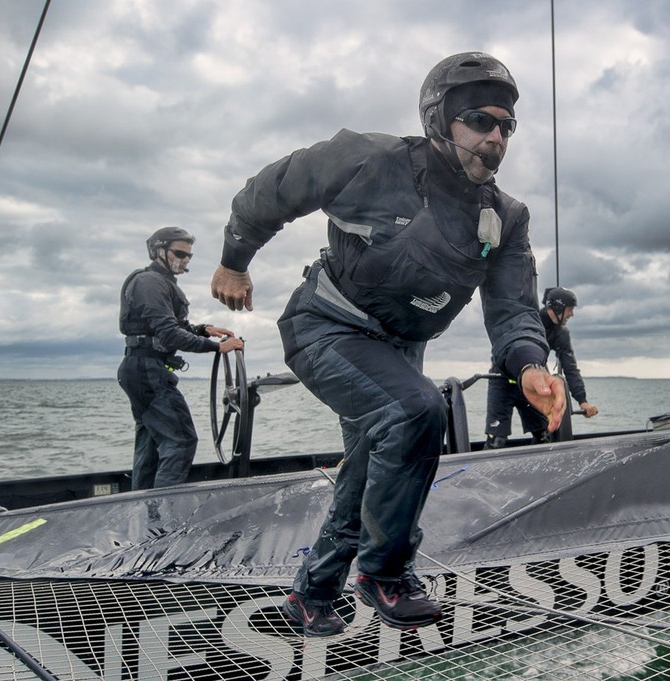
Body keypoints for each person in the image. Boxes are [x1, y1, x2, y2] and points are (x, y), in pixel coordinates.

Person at [209, 52, 566, 637]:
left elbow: (513, 309)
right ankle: (385, 573)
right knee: (415, 410)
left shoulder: (506, 216)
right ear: (439, 118)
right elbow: (273, 190)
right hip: (326, 326)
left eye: (507, 127)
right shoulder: (368, 159)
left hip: (398, 348)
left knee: (375, 459)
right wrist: (234, 261)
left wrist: (529, 364)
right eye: (480, 120)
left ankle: (313, 593)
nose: (496, 137)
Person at [118, 227, 244, 490]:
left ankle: (145, 514)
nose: (185, 260)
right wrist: (216, 347)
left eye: (189, 256)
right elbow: (169, 333)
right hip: (147, 371)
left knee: (151, 443)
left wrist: (203, 329)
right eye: (179, 253)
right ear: (158, 251)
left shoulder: (163, 284)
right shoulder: (149, 282)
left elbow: (171, 327)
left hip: (142, 369)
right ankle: (164, 518)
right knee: (182, 440)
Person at [484, 286, 599, 448]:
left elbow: (570, 368)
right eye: (570, 309)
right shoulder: (528, 319)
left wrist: (582, 401)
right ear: (558, 307)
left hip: (535, 384)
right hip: (503, 382)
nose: (571, 314)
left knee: (544, 435)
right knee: (496, 440)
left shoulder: (561, 334)